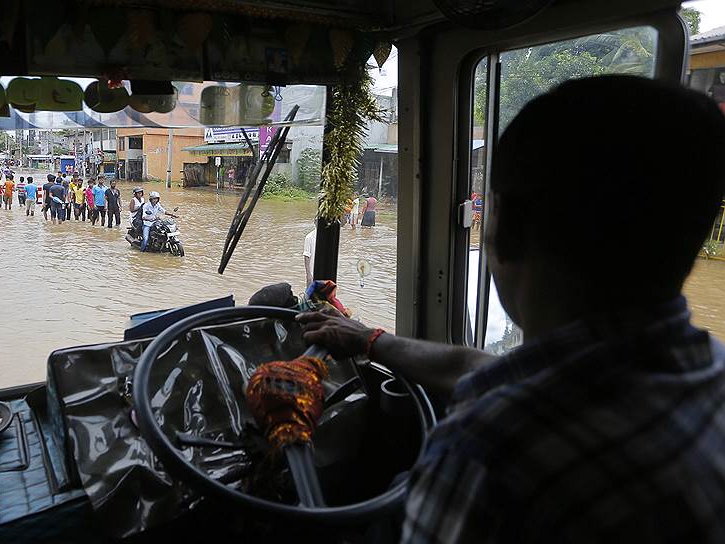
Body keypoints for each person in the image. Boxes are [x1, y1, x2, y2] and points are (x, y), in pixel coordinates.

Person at [296, 76, 725, 543]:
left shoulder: (489, 453)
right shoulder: (706, 372)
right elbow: (489, 370)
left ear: (509, 227)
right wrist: (367, 339)